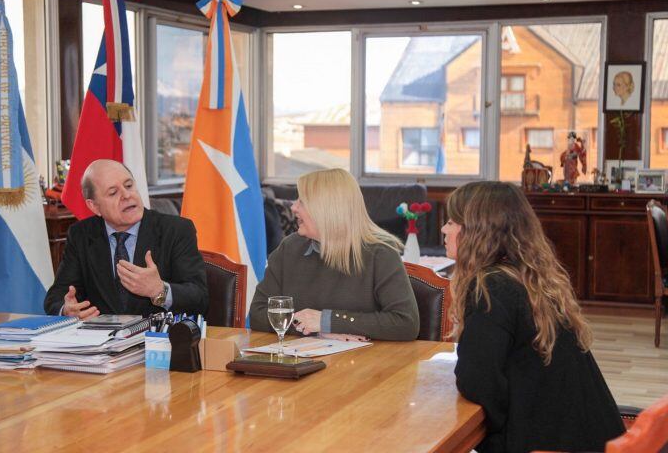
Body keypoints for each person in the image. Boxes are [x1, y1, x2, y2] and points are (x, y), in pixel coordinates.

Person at [442, 181, 624, 453]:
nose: (444, 229)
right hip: (587, 438)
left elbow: (477, 382)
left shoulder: (492, 288)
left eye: (453, 222)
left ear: (477, 232)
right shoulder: (527, 279)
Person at [249, 168, 420, 341]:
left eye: (302, 201)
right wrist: (317, 329)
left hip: (364, 363)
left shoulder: (381, 253)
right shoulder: (290, 248)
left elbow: (406, 322)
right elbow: (258, 313)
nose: (293, 207)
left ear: (327, 209)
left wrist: (328, 321)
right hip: (300, 361)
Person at [44, 159, 208, 318]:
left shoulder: (176, 230)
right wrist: (67, 309)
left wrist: (159, 290)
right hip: (101, 341)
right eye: (113, 192)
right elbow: (57, 296)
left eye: (129, 186)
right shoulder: (81, 235)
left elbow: (200, 297)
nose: (126, 195)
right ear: (94, 206)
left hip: (157, 340)